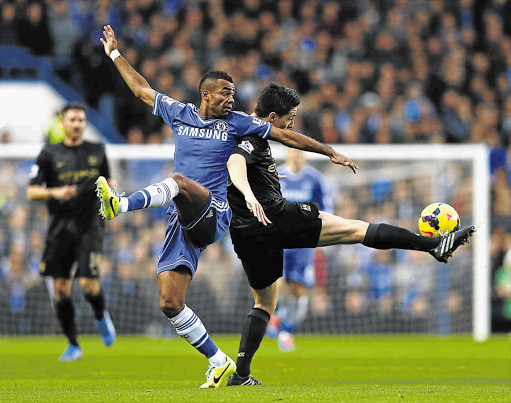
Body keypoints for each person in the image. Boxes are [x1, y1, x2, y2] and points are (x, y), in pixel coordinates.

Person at [96, 25, 356, 388]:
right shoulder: (180, 113)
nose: (231, 99)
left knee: (181, 182)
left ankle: (120, 203)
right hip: (181, 216)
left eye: (233, 94)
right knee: (170, 303)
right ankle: (219, 362)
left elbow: (283, 134)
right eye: (225, 93)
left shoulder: (238, 123)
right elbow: (141, 90)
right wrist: (114, 53)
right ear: (206, 94)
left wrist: (328, 151)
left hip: (214, 210)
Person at [225, 82, 476, 386]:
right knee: (356, 229)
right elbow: (236, 162)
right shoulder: (251, 136)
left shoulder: (241, 128)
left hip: (245, 232)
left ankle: (241, 374)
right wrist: (248, 193)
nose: (291, 124)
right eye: (289, 117)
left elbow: (274, 144)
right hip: (275, 217)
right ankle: (433, 245)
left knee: (264, 304)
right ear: (273, 116)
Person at [26, 103, 116, 362]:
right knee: (61, 289)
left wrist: (113, 191)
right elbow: (32, 191)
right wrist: (55, 192)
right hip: (60, 229)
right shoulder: (49, 153)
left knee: (89, 284)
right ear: (63, 123)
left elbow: (109, 182)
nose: (77, 123)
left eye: (80, 119)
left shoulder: (97, 151)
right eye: (72, 119)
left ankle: (100, 316)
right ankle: (73, 344)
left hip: (90, 226)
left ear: (84, 123)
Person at [266, 148, 332, 352]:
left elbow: (325, 209)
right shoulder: (275, 174)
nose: (296, 155)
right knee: (277, 283)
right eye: (292, 152)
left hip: (303, 243)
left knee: (298, 290)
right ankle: (277, 316)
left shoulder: (314, 179)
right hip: (279, 240)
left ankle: (286, 329)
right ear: (286, 154)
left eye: (299, 152)